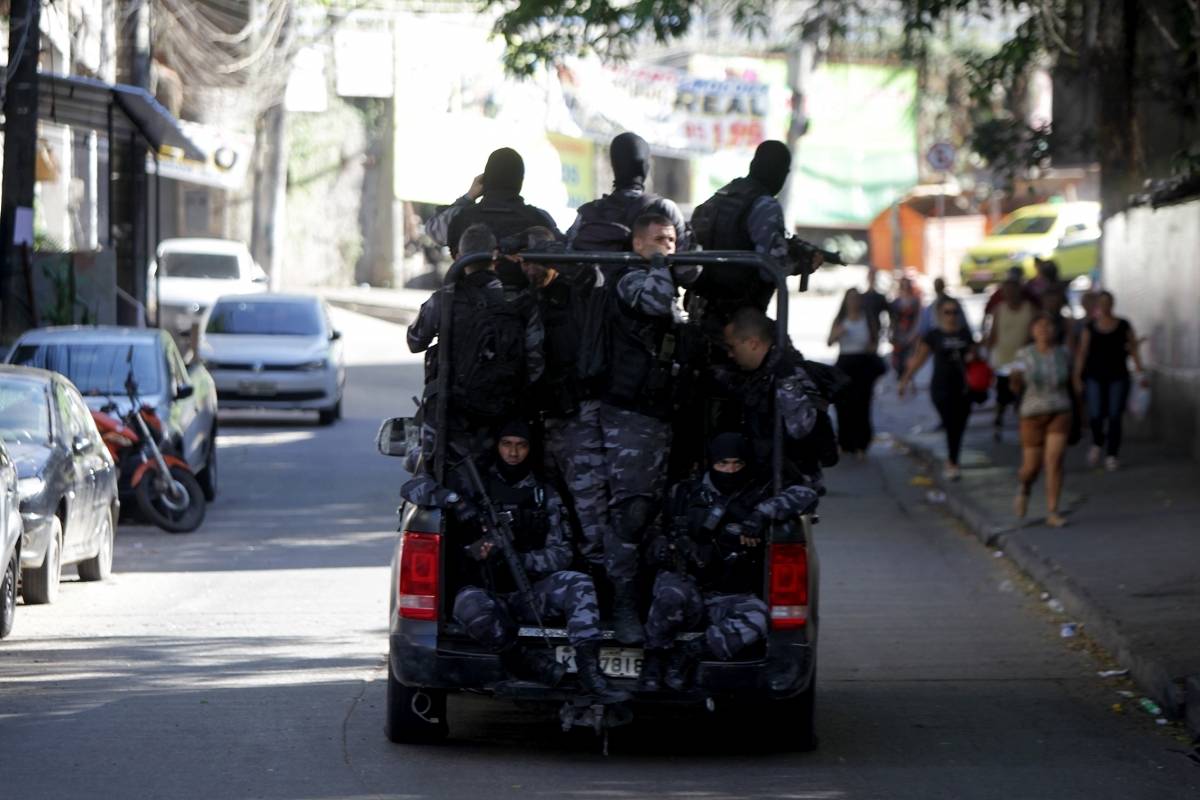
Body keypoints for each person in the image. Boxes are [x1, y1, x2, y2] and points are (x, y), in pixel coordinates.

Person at [399, 422, 629, 703]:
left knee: (578, 583)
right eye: (507, 444)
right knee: (472, 606)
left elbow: (562, 553)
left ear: (530, 449)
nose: (513, 452)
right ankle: (524, 661)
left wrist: (520, 560)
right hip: (484, 592)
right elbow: (413, 487)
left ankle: (589, 673)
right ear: (497, 446)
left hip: (527, 593)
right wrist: (456, 502)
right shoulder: (474, 483)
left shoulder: (545, 495)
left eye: (521, 445)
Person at [637, 433, 819, 691]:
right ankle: (654, 662)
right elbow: (652, 530)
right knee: (670, 594)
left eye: (737, 464)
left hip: (731, 594)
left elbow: (807, 493)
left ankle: (688, 655)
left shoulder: (757, 493)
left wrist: (760, 515)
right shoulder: (684, 493)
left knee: (758, 618)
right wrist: (665, 546)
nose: (730, 471)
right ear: (711, 463)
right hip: (689, 586)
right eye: (723, 464)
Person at [589, 213, 693, 645]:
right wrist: (657, 266)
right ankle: (622, 603)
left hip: (659, 415)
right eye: (656, 240)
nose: (665, 246)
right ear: (635, 244)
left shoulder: (665, 277)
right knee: (629, 513)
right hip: (629, 416)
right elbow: (653, 302)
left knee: (656, 514)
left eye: (670, 240)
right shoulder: (633, 278)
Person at [406, 224, 544, 472]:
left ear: (459, 257)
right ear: (495, 256)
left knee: (436, 478)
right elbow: (536, 362)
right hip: (506, 413)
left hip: (452, 413)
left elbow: (415, 341)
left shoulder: (444, 299)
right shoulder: (519, 301)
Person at [516, 226, 610, 571]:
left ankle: (599, 578)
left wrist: (553, 252)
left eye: (535, 262)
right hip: (544, 419)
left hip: (577, 420)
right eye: (524, 262)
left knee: (589, 507)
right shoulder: (529, 299)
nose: (528, 269)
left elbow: (590, 275)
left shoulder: (575, 292)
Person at [688, 140, 822, 317]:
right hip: (740, 318)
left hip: (701, 309)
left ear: (753, 164)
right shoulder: (765, 205)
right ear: (784, 173)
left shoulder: (721, 195)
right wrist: (802, 263)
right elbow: (772, 268)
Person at [719, 306, 824, 489]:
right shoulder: (758, 374)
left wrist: (787, 383)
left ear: (752, 343)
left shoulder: (788, 374)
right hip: (762, 478)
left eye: (732, 347)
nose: (730, 354)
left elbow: (801, 428)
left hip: (791, 484)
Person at [426, 147, 561, 287]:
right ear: (520, 181)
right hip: (526, 305)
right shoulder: (540, 219)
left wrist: (468, 197)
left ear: (485, 180)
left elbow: (432, 230)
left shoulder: (460, 217)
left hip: (470, 303)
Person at [566, 132, 690, 252]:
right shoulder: (665, 209)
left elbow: (568, 254)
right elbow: (684, 267)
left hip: (594, 273)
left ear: (614, 164)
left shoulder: (588, 212)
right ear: (645, 167)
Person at [898, 296, 978, 481]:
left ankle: (953, 459)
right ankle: (952, 462)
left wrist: (973, 356)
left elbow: (976, 353)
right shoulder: (934, 335)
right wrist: (905, 380)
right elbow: (919, 359)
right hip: (941, 387)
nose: (951, 316)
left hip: (964, 387)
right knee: (950, 422)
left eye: (955, 312)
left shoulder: (965, 334)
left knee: (960, 425)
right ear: (940, 314)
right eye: (947, 312)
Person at [1010, 313, 1073, 528]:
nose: (1044, 330)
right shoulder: (1024, 355)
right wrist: (1015, 381)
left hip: (1060, 410)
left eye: (1048, 326)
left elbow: (1073, 383)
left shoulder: (1064, 353)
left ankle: (1053, 510)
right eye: (1040, 326)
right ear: (1032, 331)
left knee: (1054, 461)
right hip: (1032, 414)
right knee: (1031, 467)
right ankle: (1024, 487)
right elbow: (1015, 384)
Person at [1073, 290, 1147, 471]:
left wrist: (1140, 373)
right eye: (1102, 302)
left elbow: (1133, 349)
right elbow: (1082, 352)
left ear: (1112, 304)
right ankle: (1098, 441)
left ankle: (1112, 454)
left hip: (1118, 375)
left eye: (1108, 302)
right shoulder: (1090, 327)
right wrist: (1077, 375)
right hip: (1095, 376)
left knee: (1115, 415)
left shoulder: (1123, 325)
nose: (1105, 306)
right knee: (1096, 414)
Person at [828, 288, 884, 458]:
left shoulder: (867, 319)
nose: (853, 302)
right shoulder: (840, 319)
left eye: (856, 299)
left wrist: (871, 348)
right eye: (850, 299)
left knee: (862, 405)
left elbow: (876, 340)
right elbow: (829, 341)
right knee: (843, 405)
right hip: (845, 363)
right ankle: (845, 443)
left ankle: (862, 444)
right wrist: (838, 334)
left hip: (863, 364)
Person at [985, 276, 1035, 439]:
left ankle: (1024, 427)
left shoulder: (1030, 309)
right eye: (1007, 291)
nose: (1010, 294)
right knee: (1002, 395)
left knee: (1023, 394)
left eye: (1013, 290)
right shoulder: (999, 310)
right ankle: (998, 423)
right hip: (1003, 360)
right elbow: (993, 335)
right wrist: (987, 357)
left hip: (1024, 361)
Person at [888, 277, 922, 377]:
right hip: (898, 335)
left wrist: (914, 334)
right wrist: (890, 333)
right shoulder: (896, 302)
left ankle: (907, 380)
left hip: (911, 335)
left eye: (907, 285)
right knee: (897, 362)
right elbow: (892, 320)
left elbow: (918, 319)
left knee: (909, 361)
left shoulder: (915, 301)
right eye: (903, 285)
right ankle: (900, 380)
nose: (905, 287)